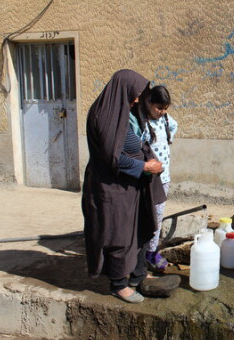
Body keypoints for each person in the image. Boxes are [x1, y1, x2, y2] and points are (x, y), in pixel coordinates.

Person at [82, 69, 166, 304]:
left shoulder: (125, 112)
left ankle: (138, 275)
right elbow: (114, 158)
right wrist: (145, 166)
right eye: (134, 94)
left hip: (130, 185)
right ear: (121, 90)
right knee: (117, 234)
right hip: (111, 188)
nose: (138, 99)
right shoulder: (105, 115)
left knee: (137, 231)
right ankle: (118, 284)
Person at [134, 85, 178, 272]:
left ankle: (152, 252)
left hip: (164, 177)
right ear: (149, 103)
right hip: (146, 178)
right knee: (145, 216)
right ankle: (139, 253)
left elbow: (174, 127)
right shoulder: (141, 121)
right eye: (159, 108)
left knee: (158, 216)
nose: (162, 112)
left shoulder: (166, 120)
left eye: (165, 109)